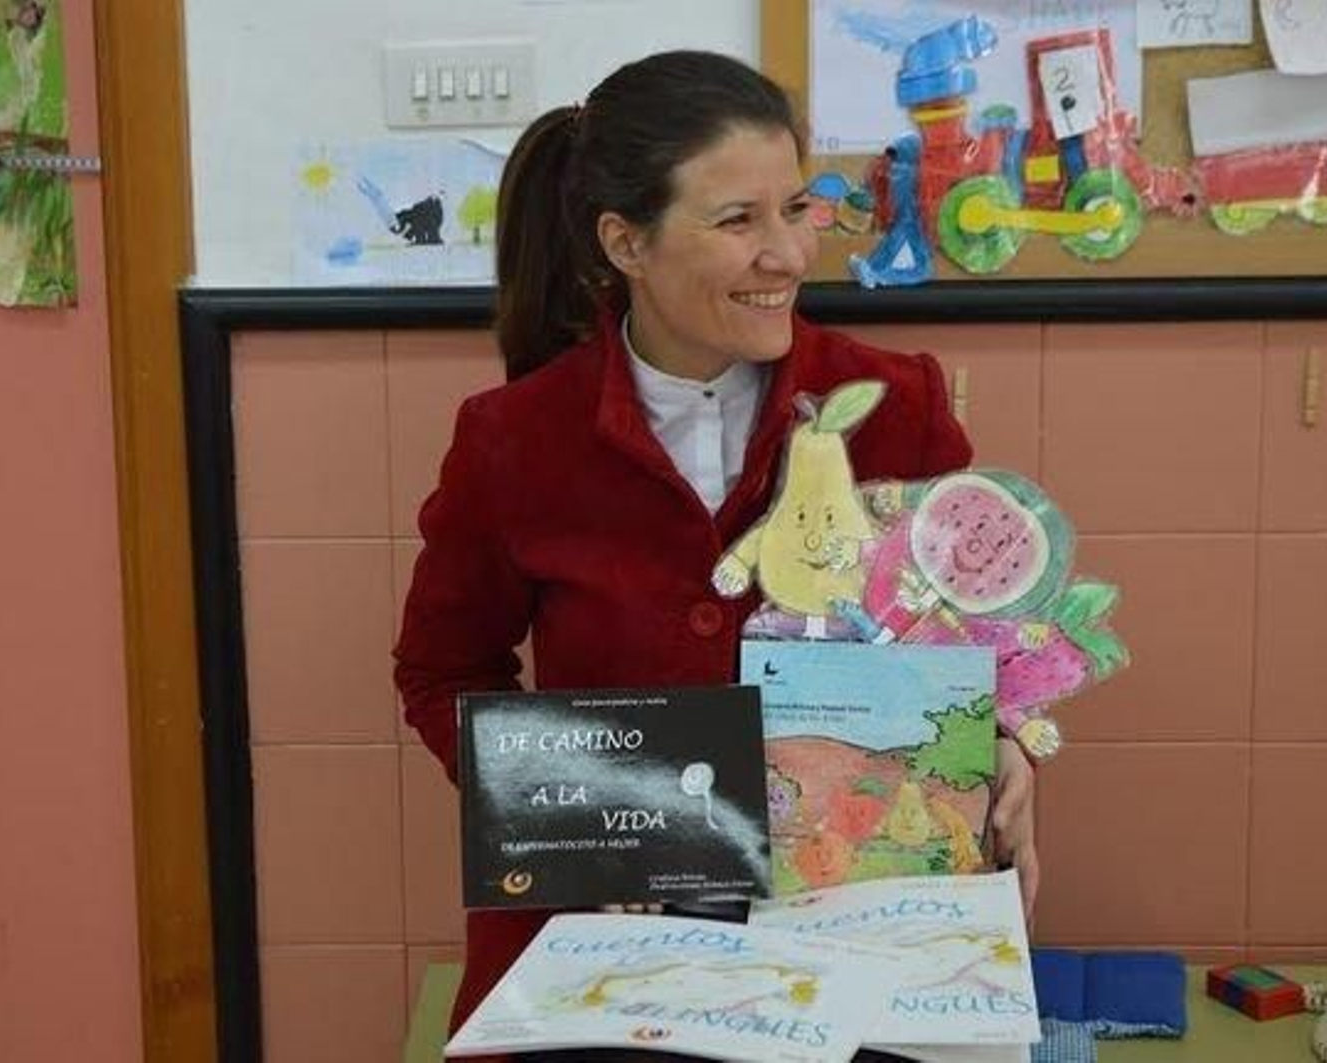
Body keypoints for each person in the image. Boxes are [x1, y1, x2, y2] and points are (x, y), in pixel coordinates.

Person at [393, 49, 1039, 1040]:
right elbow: (443, 671)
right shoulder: (514, 439)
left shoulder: (894, 406)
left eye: (797, 208)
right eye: (738, 221)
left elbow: (967, 647)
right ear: (626, 241)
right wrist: (573, 825)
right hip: (606, 943)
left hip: (852, 922)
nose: (787, 253)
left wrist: (1002, 745)